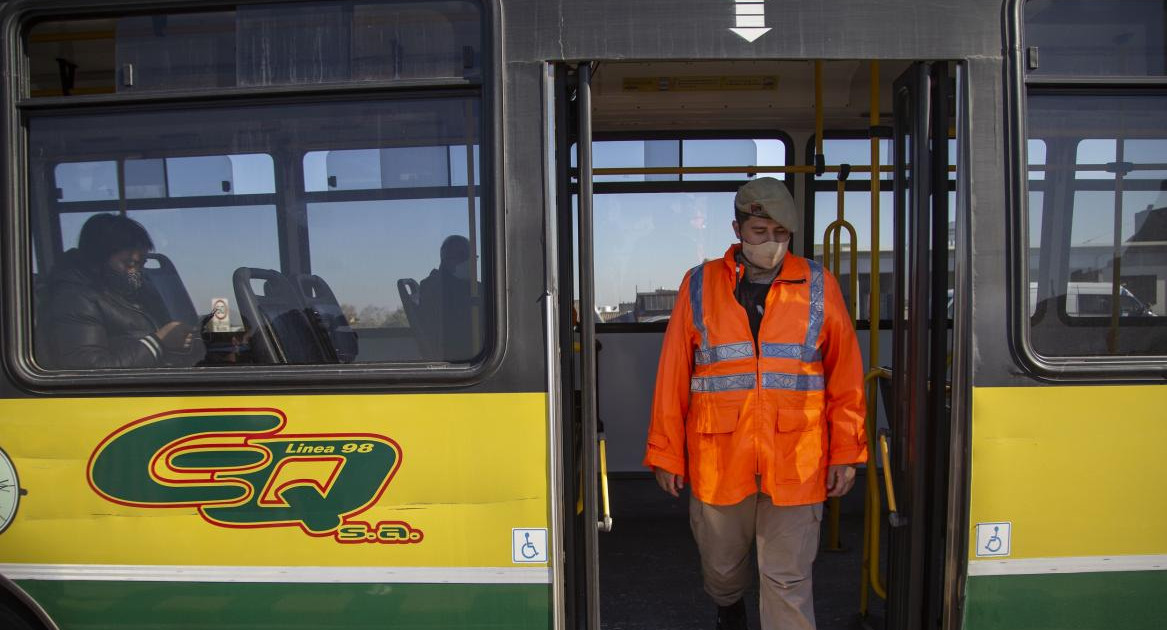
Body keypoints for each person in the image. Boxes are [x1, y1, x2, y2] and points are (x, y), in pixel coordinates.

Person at [643, 177, 867, 630]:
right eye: (760, 233)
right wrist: (667, 454)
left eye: (781, 234)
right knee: (722, 568)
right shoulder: (699, 284)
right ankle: (729, 606)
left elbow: (846, 378)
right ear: (737, 228)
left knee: (787, 579)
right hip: (720, 457)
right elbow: (673, 377)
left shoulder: (819, 286)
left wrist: (847, 451)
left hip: (796, 461)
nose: (771, 243)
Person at [39, 213, 199, 369]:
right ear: (98, 259)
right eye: (129, 263)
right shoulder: (73, 299)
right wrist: (157, 343)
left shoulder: (134, 291)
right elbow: (88, 371)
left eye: (142, 264)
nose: (137, 272)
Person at [418, 234, 476, 360]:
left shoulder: (466, 285)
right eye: (463, 257)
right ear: (446, 260)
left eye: (472, 258)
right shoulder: (435, 287)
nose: (470, 262)